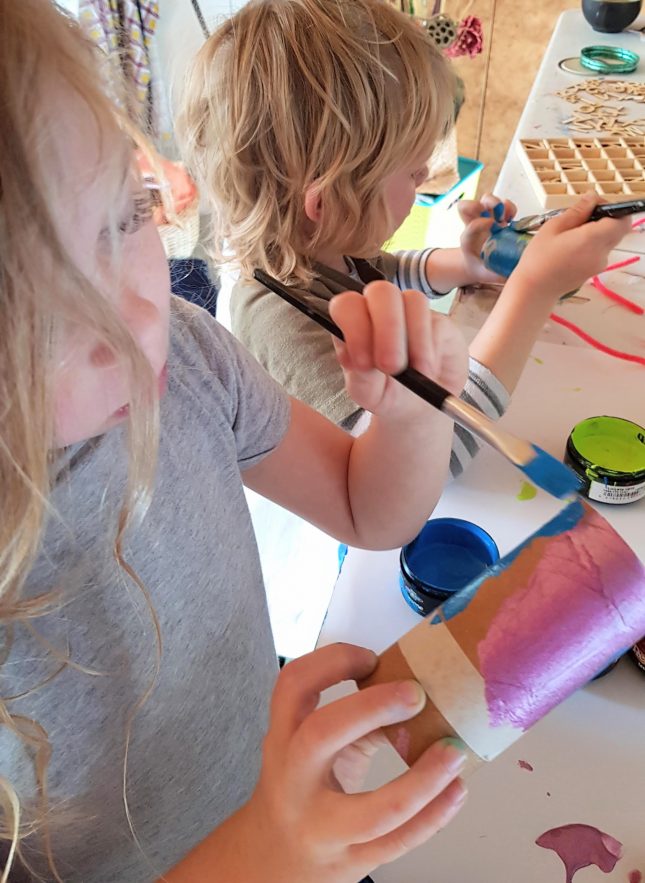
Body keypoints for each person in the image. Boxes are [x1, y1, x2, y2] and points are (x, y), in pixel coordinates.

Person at [0, 1, 479, 880]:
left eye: (126, 216)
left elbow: (365, 508)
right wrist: (265, 853)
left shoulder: (192, 358)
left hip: (288, 813)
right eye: (26, 294)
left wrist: (412, 414)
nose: (134, 315)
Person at [178, 0, 631, 476]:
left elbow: (385, 274)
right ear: (326, 201)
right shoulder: (280, 321)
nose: (424, 179)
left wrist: (470, 264)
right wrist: (531, 292)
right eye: (413, 173)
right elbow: (418, 466)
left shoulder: (319, 245)